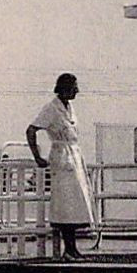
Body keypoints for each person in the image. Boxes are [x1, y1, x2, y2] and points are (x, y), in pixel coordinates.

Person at [27, 72, 95, 260]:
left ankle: (72, 249)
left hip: (74, 157)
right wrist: (37, 157)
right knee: (65, 206)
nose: (77, 91)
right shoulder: (51, 108)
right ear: (65, 87)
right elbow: (31, 130)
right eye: (74, 87)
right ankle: (68, 250)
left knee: (76, 204)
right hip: (61, 157)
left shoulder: (70, 108)